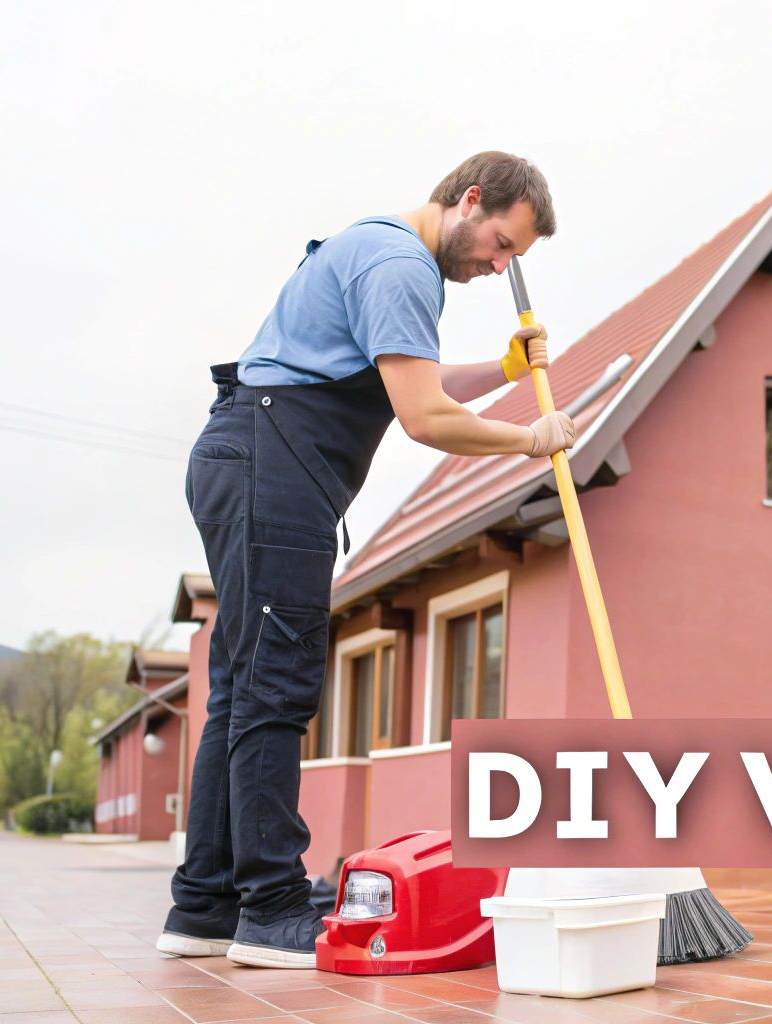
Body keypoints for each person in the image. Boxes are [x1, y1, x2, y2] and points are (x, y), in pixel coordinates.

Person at [155, 151, 576, 969]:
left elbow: (409, 375)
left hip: (249, 457)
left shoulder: (379, 253)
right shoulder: (400, 265)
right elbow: (422, 416)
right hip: (270, 466)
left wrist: (507, 370)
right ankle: (269, 908)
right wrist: (532, 438)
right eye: (500, 244)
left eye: (512, 259)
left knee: (243, 688)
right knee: (275, 682)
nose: (498, 266)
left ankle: (204, 904)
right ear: (471, 198)